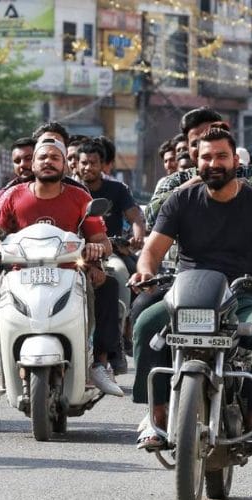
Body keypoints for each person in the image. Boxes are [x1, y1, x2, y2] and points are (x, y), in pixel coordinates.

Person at [130, 127, 252, 456]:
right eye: (206, 157)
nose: (213, 163)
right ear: (196, 161)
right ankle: (156, 415)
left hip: (242, 296)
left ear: (236, 160)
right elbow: (152, 251)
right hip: (188, 294)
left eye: (221, 156)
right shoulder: (181, 199)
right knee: (146, 323)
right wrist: (144, 270)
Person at [0, 137, 125, 424]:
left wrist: (96, 250)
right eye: (43, 157)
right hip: (20, 272)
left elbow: (100, 240)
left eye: (55, 157)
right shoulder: (13, 195)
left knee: (109, 286)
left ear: (64, 165)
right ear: (33, 164)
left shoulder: (80, 198)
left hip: (70, 271)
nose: (48, 162)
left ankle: (100, 363)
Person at [77, 140, 147, 374]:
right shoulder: (69, 190)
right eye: (83, 163)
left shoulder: (117, 189)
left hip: (109, 252)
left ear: (103, 165)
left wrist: (137, 236)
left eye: (93, 163)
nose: (88, 168)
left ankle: (116, 344)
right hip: (73, 253)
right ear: (75, 164)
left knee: (117, 275)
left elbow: (136, 217)